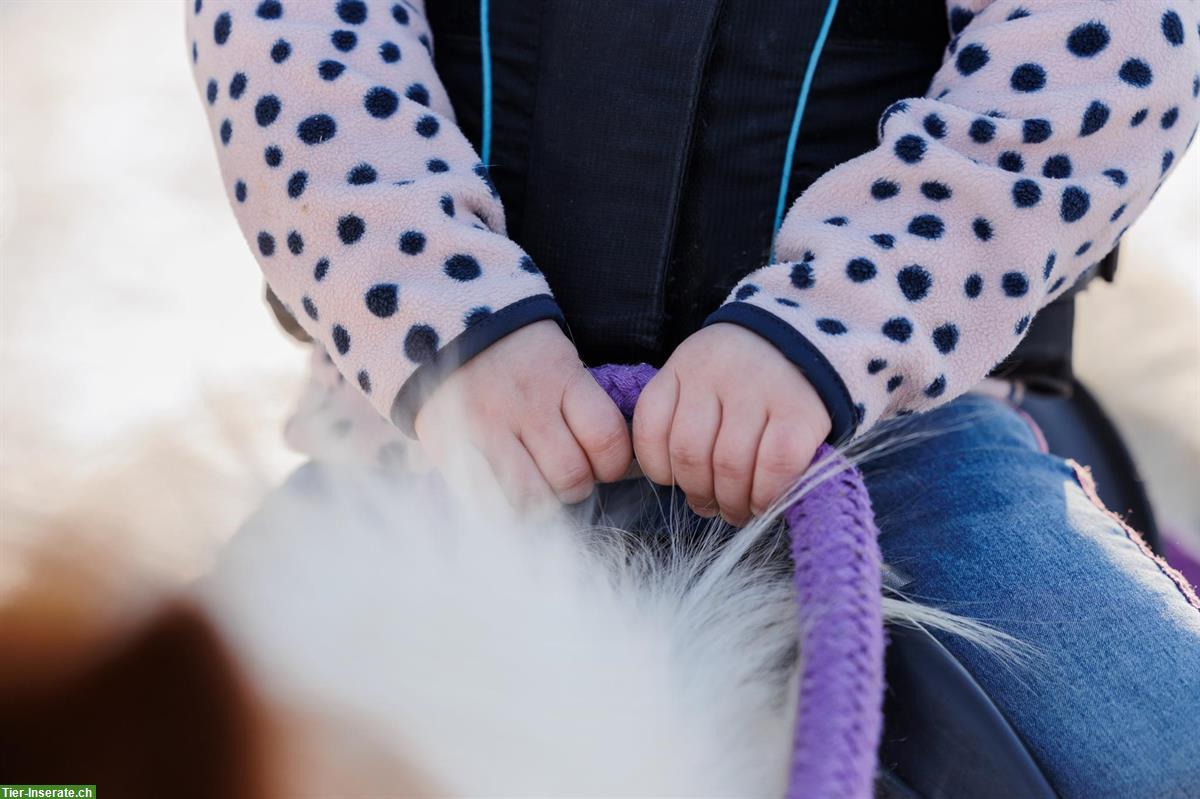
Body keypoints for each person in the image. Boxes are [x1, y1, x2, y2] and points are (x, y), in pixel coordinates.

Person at [186, 1, 1200, 795]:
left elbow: (1105, 50)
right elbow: (288, 36)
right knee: (103, 748)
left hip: (892, 431)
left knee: (1154, 744)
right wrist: (446, 323)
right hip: (426, 434)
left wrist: (830, 324)